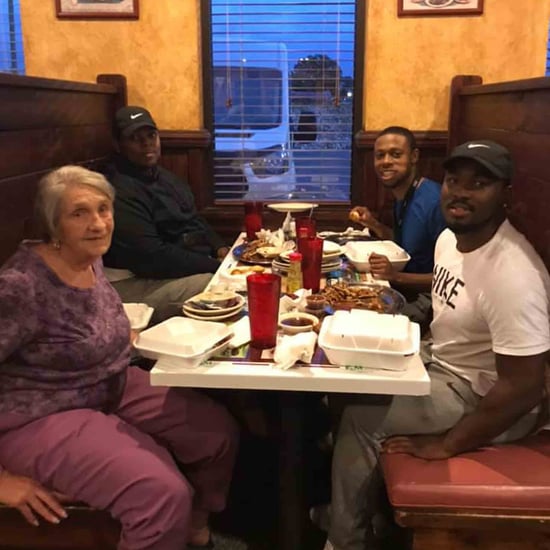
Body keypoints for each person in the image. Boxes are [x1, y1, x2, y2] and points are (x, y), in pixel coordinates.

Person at [324, 141, 550, 550]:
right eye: (453, 180)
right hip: (440, 362)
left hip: (481, 394)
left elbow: (524, 386)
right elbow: (453, 284)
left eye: (478, 183)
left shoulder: (515, 275)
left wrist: (449, 444)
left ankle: (345, 539)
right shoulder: (451, 237)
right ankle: (361, 506)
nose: (460, 192)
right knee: (343, 383)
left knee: (360, 418)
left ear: (506, 196)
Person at [0, 166, 239, 549]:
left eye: (104, 209)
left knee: (215, 434)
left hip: (110, 384)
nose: (98, 224)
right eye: (79, 213)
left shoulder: (89, 258)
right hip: (39, 416)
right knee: (161, 493)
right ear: (52, 222)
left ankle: (194, 531)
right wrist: (2, 482)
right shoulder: (20, 286)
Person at [103, 105, 230, 323]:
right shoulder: (118, 189)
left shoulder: (165, 177)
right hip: (133, 282)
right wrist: (218, 268)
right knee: (216, 287)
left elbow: (194, 218)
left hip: (177, 268)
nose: (146, 144)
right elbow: (153, 257)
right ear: (118, 145)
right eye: (135, 138)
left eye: (151, 135)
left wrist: (222, 249)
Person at [349, 126, 446, 324]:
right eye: (380, 155)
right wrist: (373, 223)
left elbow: (449, 278)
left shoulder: (434, 202)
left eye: (395, 154)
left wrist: (396, 276)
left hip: (428, 300)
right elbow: (405, 245)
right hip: (401, 287)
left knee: (361, 320)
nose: (386, 162)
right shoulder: (404, 195)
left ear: (414, 156)